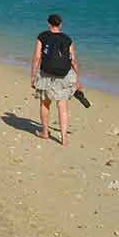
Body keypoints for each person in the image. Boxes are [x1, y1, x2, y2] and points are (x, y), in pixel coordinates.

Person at [30, 14, 81, 146]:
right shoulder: (67, 39)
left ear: (48, 24)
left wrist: (33, 75)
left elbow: (37, 57)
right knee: (62, 107)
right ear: (61, 24)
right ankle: (64, 138)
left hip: (46, 74)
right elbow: (73, 60)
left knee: (45, 104)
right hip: (64, 76)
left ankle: (45, 133)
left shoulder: (42, 36)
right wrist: (77, 79)